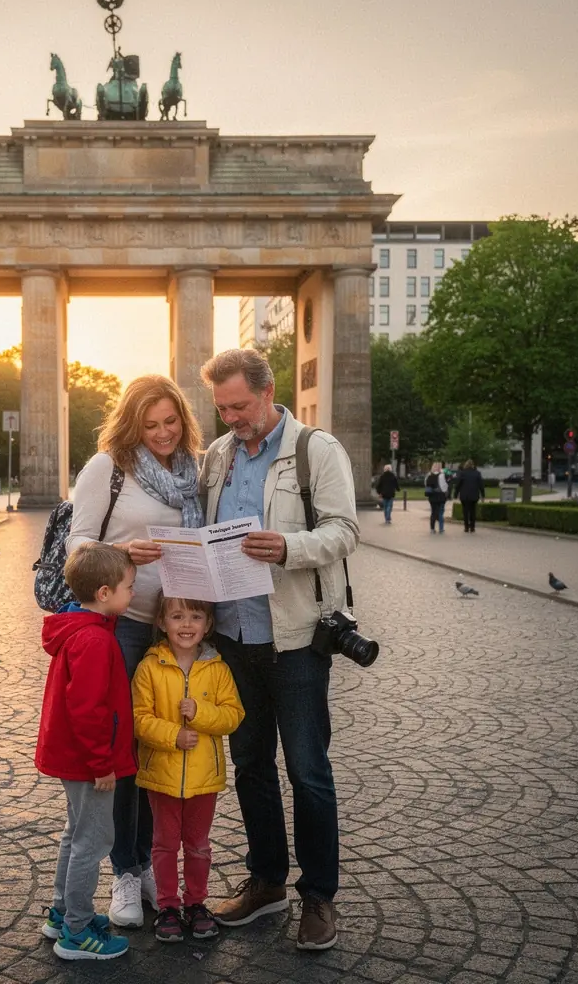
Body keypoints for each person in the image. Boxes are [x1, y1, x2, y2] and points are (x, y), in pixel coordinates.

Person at [198, 348, 359, 950]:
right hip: (234, 638)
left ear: (268, 393)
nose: (231, 417)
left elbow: (345, 530)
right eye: (222, 408)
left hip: (294, 639)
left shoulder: (317, 449)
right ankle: (267, 883)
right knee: (250, 766)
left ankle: (319, 896)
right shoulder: (217, 456)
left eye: (239, 406)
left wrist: (288, 546)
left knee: (308, 771)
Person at [67, 373, 204, 927]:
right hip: (122, 626)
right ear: (131, 423)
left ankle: (149, 862)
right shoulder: (108, 467)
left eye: (171, 421)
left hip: (174, 626)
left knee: (160, 750)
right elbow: (77, 544)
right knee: (123, 751)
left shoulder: (194, 470)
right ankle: (124, 871)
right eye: (150, 424)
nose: (163, 432)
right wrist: (122, 551)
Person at [35, 543, 137, 961]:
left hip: (71, 757)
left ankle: (62, 912)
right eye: (129, 587)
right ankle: (75, 931)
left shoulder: (75, 628)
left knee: (75, 835)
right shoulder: (95, 641)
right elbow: (90, 711)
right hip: (89, 762)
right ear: (104, 593)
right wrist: (103, 764)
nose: (133, 593)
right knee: (92, 841)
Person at [132, 597, 244, 944]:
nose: (186, 624)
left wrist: (200, 713)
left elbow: (233, 716)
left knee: (197, 845)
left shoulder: (218, 669)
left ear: (208, 624)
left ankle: (196, 903)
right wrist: (172, 736)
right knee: (164, 844)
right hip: (162, 776)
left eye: (195, 616)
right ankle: (167, 906)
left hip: (203, 780)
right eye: (177, 616)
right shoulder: (150, 667)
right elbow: (139, 718)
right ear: (162, 622)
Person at [453, 459, 485, 533]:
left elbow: (458, 485)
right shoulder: (477, 473)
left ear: (466, 465)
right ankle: (472, 527)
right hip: (474, 495)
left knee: (465, 511)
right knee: (473, 511)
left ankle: (466, 527)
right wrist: (483, 495)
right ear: (473, 465)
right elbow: (481, 485)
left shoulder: (462, 473)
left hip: (465, 496)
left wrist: (455, 494)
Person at [425, 461, 449, 534]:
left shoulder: (428, 475)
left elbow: (426, 485)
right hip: (440, 496)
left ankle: (432, 529)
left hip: (432, 496)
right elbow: (444, 487)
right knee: (440, 512)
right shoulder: (442, 475)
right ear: (440, 468)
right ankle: (441, 529)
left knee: (433, 512)